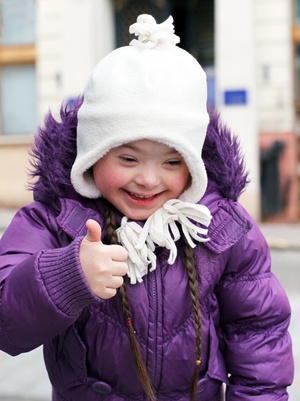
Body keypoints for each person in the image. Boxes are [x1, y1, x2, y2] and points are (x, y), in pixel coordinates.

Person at [0, 14, 293, 401]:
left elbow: (259, 336)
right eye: (128, 158)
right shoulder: (54, 220)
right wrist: (69, 276)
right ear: (93, 153)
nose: (149, 180)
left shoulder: (222, 227)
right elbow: (7, 322)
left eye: (172, 162)